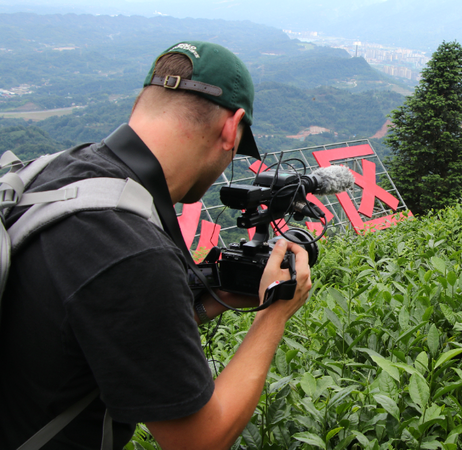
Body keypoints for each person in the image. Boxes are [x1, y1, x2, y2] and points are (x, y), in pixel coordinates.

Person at [0, 41, 312, 449]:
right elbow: (198, 439)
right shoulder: (133, 250)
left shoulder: (53, 172)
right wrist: (275, 310)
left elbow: (103, 318)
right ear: (232, 128)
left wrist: (213, 295)